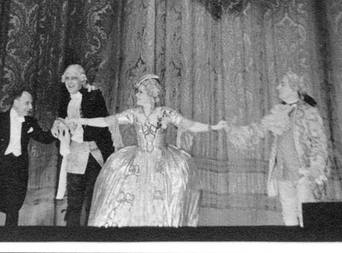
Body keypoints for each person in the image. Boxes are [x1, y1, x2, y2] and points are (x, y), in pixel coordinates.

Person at [68, 73, 225, 227]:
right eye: (137, 92)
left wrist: (213, 127)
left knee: (162, 202)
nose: (137, 95)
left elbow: (188, 124)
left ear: (151, 93)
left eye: (140, 92)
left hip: (162, 163)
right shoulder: (134, 113)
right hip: (138, 161)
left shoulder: (164, 112)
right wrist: (82, 120)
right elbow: (106, 121)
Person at [213, 71, 329, 226]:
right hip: (283, 175)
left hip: (304, 175)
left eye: (282, 84)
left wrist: (314, 170)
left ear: (294, 87)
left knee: (307, 220)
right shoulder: (279, 112)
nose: (277, 87)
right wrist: (231, 129)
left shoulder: (309, 111)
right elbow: (256, 131)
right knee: (289, 219)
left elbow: (319, 143)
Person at [0, 89, 56, 226]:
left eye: (31, 104)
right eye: (27, 103)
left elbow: (44, 138)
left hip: (16, 173)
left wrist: (54, 130)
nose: (31, 107)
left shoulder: (30, 122)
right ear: (16, 103)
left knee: (12, 214)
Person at [51, 64, 114, 226]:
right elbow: (61, 118)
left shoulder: (93, 95)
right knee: (74, 201)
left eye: (74, 78)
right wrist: (59, 126)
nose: (69, 82)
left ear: (82, 80)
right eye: (67, 78)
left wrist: (79, 127)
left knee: (92, 199)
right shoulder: (64, 98)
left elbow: (102, 124)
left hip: (93, 153)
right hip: (75, 153)